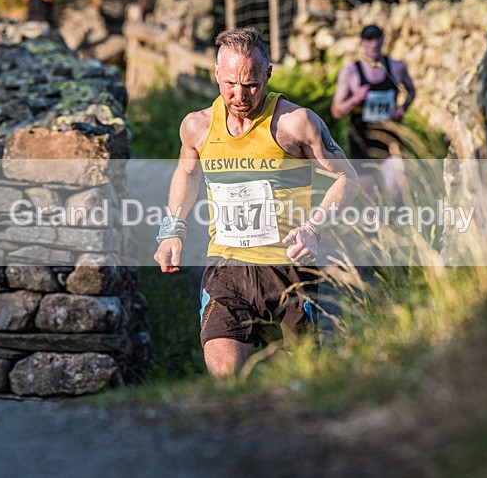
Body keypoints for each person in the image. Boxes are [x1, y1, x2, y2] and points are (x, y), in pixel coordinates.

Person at [153, 27, 359, 379]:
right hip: (227, 270)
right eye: (230, 82)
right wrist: (173, 230)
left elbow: (347, 178)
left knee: (299, 381)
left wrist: (314, 228)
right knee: (226, 377)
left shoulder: (296, 123)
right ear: (216, 74)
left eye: (251, 84)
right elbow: (187, 175)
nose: (239, 95)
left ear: (268, 75)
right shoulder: (197, 127)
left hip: (289, 271)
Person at [331, 24, 416, 200]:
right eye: (369, 39)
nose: (374, 44)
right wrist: (354, 99)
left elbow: (411, 91)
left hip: (390, 138)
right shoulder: (351, 72)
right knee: (370, 195)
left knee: (396, 189)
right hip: (362, 141)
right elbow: (336, 111)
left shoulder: (396, 67)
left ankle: (397, 223)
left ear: (383, 40)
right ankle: (374, 226)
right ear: (362, 42)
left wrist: (402, 108)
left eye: (377, 38)